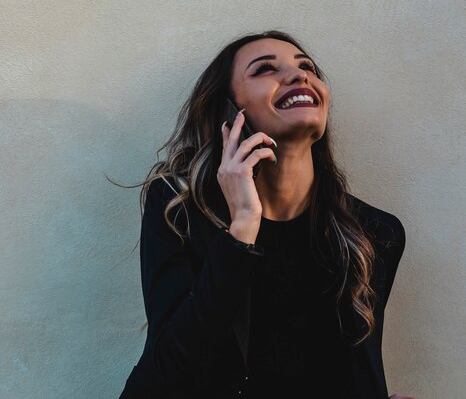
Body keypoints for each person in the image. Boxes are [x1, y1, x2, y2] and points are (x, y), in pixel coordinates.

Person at [118, 30, 414, 399]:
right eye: (264, 70)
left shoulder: (372, 234)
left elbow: (354, 372)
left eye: (306, 67)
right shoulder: (179, 212)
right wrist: (242, 227)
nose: (298, 75)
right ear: (229, 113)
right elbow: (168, 374)